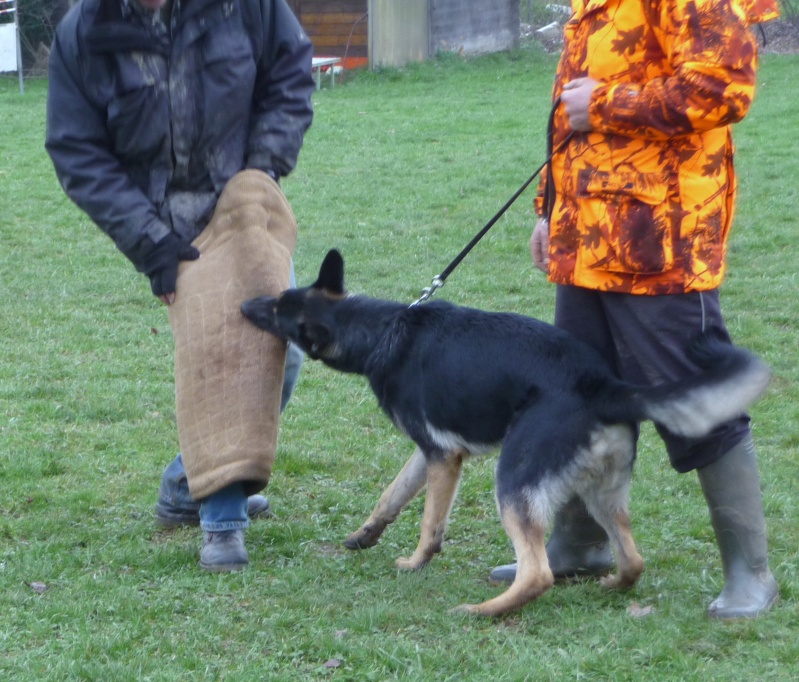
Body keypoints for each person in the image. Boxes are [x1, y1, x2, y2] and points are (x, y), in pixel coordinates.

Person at [490, 0, 781, 618]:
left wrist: (601, 105)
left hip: (663, 242)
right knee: (573, 392)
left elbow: (723, 88)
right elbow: (570, 111)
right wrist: (549, 208)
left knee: (694, 397)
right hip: (589, 236)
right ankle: (579, 542)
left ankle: (750, 572)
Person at [45, 0, 315, 571]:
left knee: (283, 351)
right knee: (218, 356)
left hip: (243, 208)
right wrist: (151, 243)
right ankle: (222, 522)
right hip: (166, 226)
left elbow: (289, 71)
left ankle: (190, 478)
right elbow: (76, 148)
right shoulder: (85, 32)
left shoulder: (248, 8)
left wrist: (263, 169)